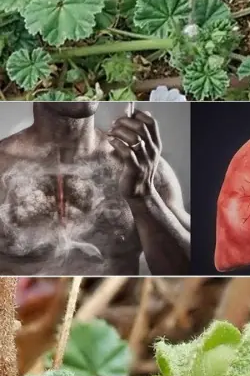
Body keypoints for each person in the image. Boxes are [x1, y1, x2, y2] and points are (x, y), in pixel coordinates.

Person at [0, 102, 191, 275]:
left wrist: (145, 196)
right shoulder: (4, 163)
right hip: (23, 307)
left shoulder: (142, 166)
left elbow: (191, 269)